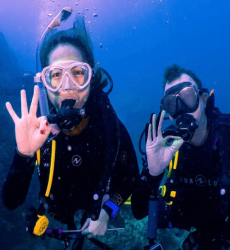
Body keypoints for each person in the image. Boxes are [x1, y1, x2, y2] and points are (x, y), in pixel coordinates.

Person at [2, 14, 139, 250]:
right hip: (56, 213)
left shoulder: (110, 128)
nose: (67, 86)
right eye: (55, 75)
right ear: (44, 83)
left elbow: (129, 181)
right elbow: (11, 202)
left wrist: (109, 211)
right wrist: (23, 154)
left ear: (91, 78)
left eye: (77, 72)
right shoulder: (39, 132)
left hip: (96, 208)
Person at [131, 64, 230, 250]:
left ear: (203, 100)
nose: (181, 110)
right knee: (161, 215)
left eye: (187, 97)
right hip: (189, 214)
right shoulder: (166, 145)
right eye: (171, 103)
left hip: (229, 221)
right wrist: (153, 173)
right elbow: (138, 211)